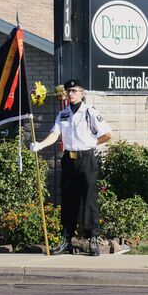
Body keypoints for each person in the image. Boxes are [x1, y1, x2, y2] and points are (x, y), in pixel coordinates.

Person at [30, 79, 111, 256]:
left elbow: (107, 134)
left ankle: (92, 240)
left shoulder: (90, 112)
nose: (71, 94)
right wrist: (40, 145)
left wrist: (92, 143)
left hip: (86, 158)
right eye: (68, 91)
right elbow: (54, 135)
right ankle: (66, 240)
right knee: (68, 200)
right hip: (68, 160)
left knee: (89, 200)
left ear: (82, 93)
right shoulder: (63, 114)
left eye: (74, 91)